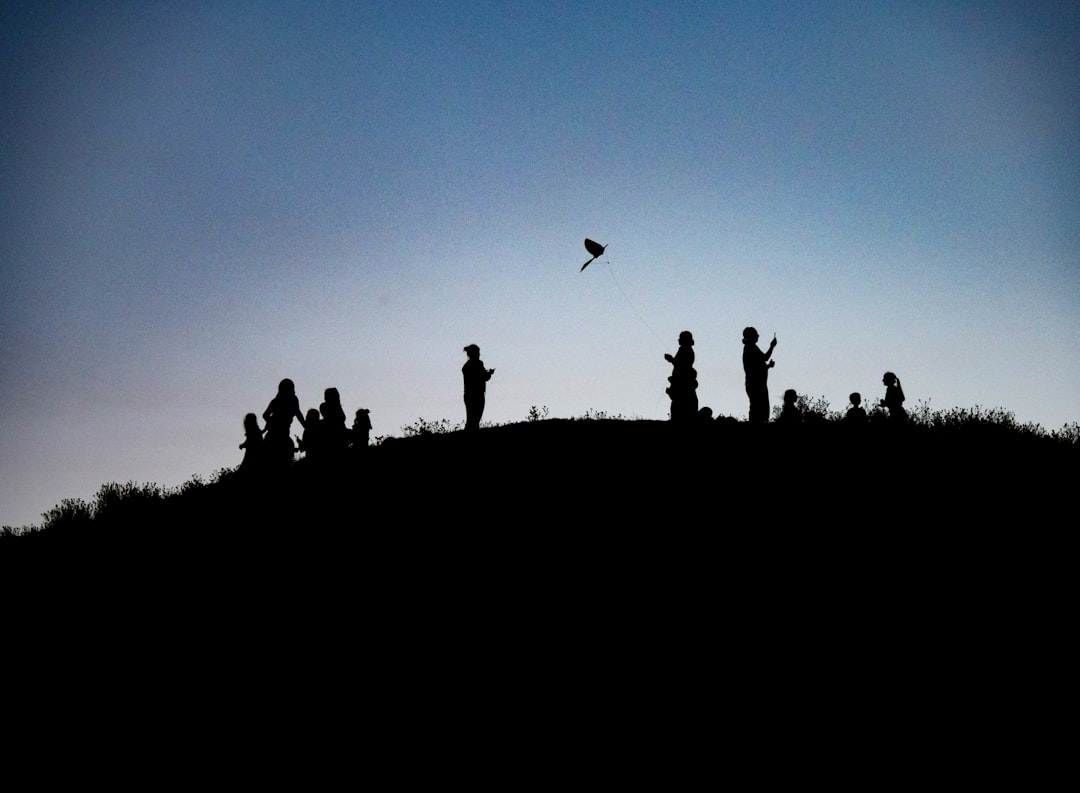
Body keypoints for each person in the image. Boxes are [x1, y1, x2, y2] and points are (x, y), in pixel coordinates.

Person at [263, 378, 306, 467]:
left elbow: (265, 415)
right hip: (276, 434)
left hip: (281, 434)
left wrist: (306, 427)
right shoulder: (288, 400)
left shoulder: (280, 401)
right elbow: (265, 415)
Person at [742, 327, 776, 424]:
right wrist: (772, 346)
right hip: (756, 385)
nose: (758, 336)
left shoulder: (750, 348)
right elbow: (765, 358)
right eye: (756, 334)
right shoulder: (751, 348)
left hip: (756, 384)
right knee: (758, 410)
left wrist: (768, 366)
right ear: (751, 336)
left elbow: (757, 368)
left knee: (758, 409)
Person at [664, 330, 699, 423]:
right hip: (682, 380)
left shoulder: (685, 350)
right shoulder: (685, 349)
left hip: (683, 382)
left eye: (680, 338)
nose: (678, 340)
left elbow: (682, 365)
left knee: (679, 403)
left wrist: (671, 359)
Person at [462, 344, 494, 431]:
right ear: (474, 353)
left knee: (471, 420)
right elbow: (484, 377)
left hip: (468, 395)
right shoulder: (479, 363)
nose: (479, 355)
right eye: (478, 353)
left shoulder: (465, 366)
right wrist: (490, 373)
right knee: (475, 420)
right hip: (478, 395)